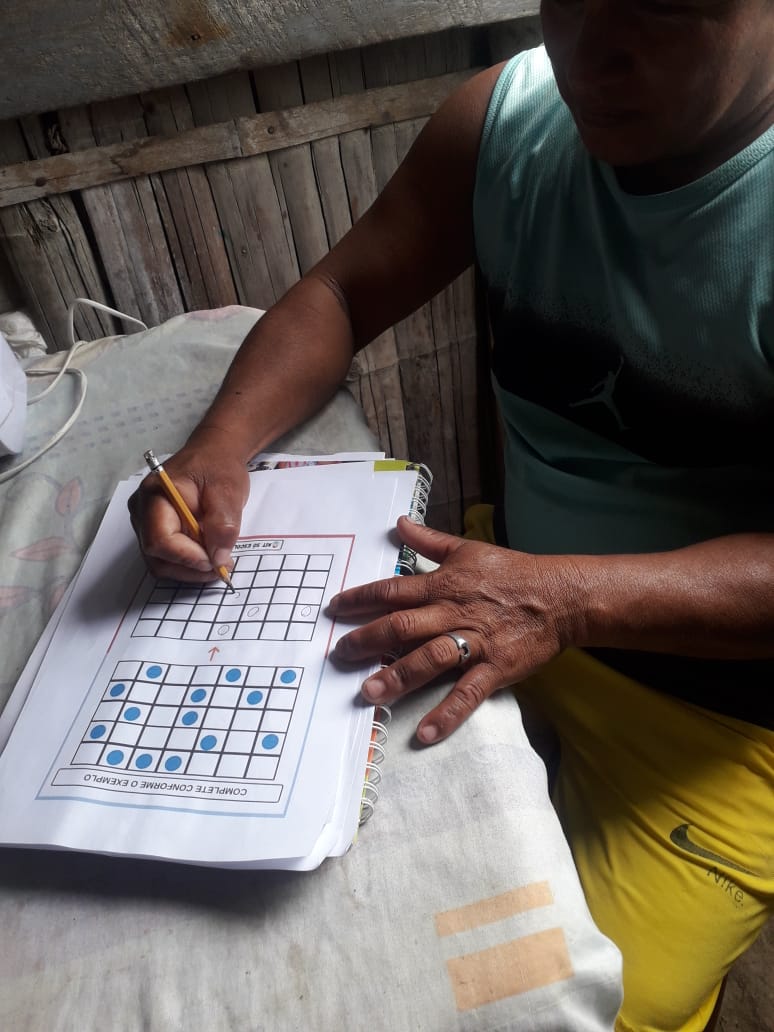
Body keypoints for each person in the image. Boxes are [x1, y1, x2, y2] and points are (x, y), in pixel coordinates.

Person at [130, 2, 774, 1028]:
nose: (591, 54)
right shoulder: (505, 119)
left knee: (591, 1004)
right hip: (502, 587)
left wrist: (564, 601)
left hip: (718, 715)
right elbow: (343, 292)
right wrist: (217, 447)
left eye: (663, 9)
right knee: (322, 925)